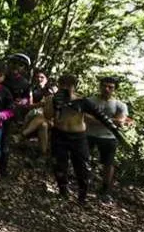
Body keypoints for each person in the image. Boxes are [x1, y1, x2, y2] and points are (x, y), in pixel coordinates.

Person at [42, 74, 122, 204]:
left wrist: (116, 131)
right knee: (59, 164)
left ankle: (82, 196)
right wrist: (54, 102)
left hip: (78, 136)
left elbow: (100, 116)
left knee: (82, 167)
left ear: (74, 87)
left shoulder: (82, 101)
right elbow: (47, 115)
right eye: (63, 85)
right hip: (59, 134)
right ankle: (63, 192)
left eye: (69, 86)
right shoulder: (53, 99)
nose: (66, 88)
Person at [87, 77, 131, 203]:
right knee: (84, 159)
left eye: (110, 87)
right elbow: (85, 118)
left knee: (108, 164)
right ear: (100, 86)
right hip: (89, 134)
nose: (107, 89)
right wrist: (111, 120)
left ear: (114, 89)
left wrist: (97, 120)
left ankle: (105, 190)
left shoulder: (120, 105)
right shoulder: (90, 101)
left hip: (109, 137)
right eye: (104, 86)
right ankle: (83, 182)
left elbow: (121, 122)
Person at [0, 52, 32, 176]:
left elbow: (27, 98)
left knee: (4, 141)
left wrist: (23, 101)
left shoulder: (25, 83)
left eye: (20, 65)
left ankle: (2, 169)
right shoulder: (0, 76)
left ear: (24, 68)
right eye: (14, 63)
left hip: (9, 115)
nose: (16, 67)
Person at [19, 68, 58, 156]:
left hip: (49, 118)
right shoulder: (32, 90)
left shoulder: (52, 91)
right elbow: (29, 106)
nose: (39, 79)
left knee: (42, 120)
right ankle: (43, 154)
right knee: (43, 125)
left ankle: (22, 135)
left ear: (46, 79)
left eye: (42, 77)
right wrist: (41, 104)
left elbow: (55, 107)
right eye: (37, 77)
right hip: (36, 114)